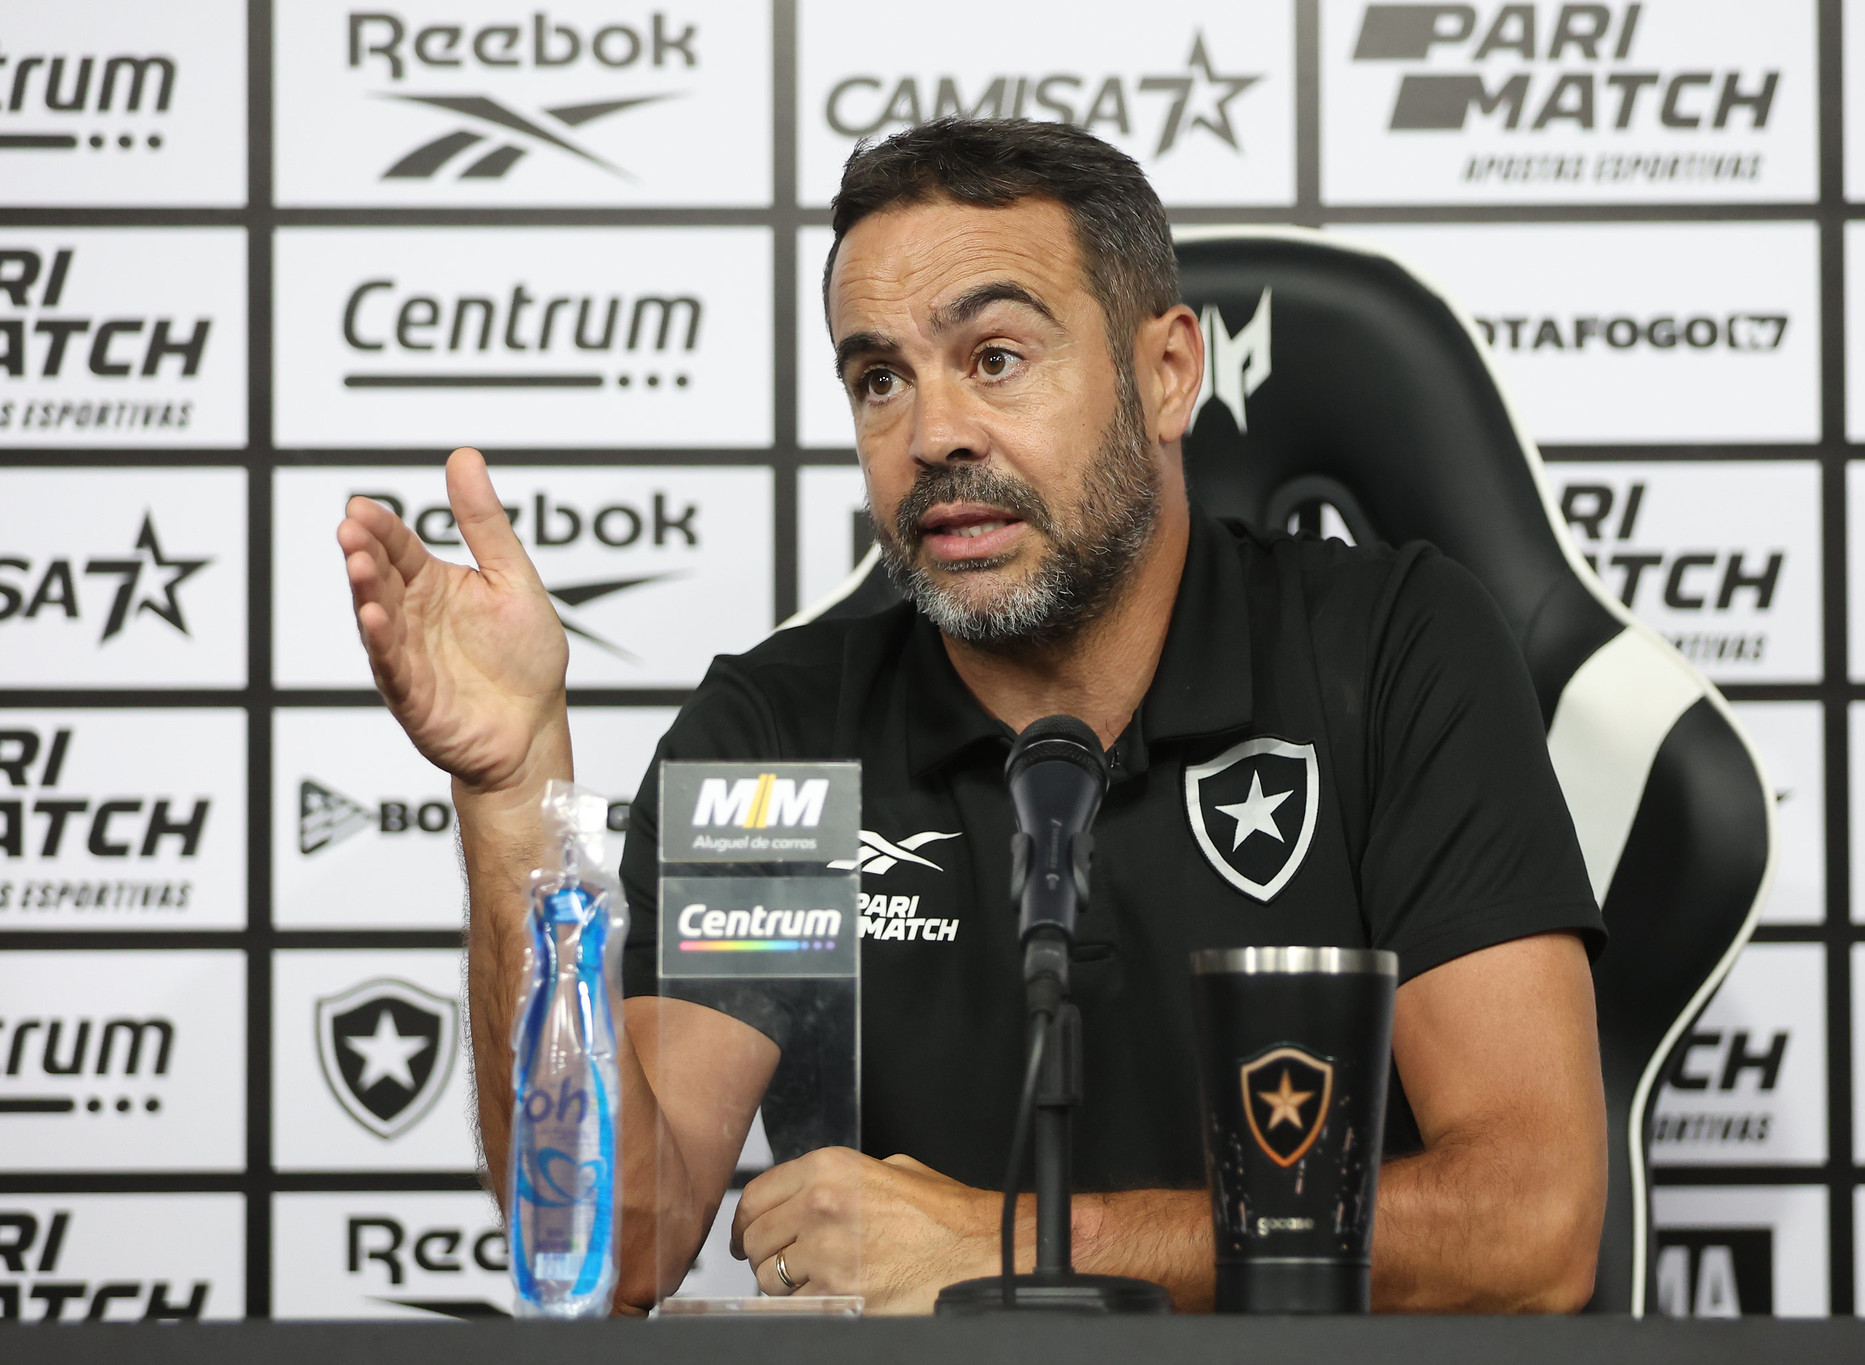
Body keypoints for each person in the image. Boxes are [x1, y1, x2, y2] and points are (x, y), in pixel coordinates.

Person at [336, 117, 1607, 1317]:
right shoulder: (788, 747)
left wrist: (1004, 1250)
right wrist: (510, 799)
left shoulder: (1384, 651)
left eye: (994, 357)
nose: (933, 432)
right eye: (878, 379)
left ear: (1166, 374)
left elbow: (1531, 1228)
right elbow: (614, 1244)